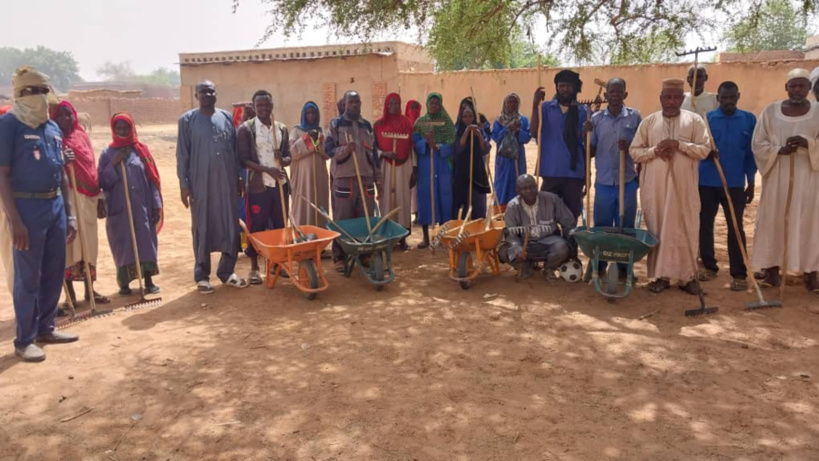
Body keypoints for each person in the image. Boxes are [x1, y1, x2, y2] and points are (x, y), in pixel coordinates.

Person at [0, 67, 79, 362]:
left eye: (44, 93)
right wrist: (15, 220)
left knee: (53, 271)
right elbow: (2, 175)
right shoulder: (9, 125)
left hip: (55, 205)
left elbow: (60, 174)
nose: (41, 99)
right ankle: (24, 339)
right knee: (28, 277)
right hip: (26, 208)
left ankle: (47, 327)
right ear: (22, 94)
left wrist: (69, 214)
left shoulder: (51, 128)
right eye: (35, 92)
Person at [630, 78, 711, 295]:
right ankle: (661, 276)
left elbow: (704, 149)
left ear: (682, 98)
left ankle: (688, 277)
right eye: (667, 97)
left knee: (686, 228)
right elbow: (634, 151)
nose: (672, 101)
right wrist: (655, 151)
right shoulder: (648, 122)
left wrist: (679, 145)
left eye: (676, 97)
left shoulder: (694, 121)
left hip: (684, 190)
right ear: (661, 98)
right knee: (658, 229)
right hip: (656, 190)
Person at [751, 69, 819, 295]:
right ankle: (771, 272)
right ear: (786, 88)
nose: (797, 90)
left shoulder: (818, 111)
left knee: (809, 223)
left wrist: (808, 143)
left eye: (802, 85)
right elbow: (758, 143)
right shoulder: (771, 111)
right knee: (774, 220)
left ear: (809, 89)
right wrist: (778, 150)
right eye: (793, 85)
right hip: (777, 176)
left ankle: (811, 273)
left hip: (808, 178)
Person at [176, 80, 247, 293]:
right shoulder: (187, 120)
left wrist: (238, 177)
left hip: (226, 183)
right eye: (203, 91)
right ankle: (202, 275)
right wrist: (184, 185)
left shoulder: (225, 117)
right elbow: (182, 155)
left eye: (211, 91)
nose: (207, 94)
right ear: (197, 96)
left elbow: (234, 151)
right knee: (202, 227)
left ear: (216, 94)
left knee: (230, 226)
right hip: (201, 184)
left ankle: (227, 272)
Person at [697, 81, 757, 291]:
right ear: (718, 98)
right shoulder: (707, 120)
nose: (728, 102)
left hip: (735, 184)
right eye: (724, 98)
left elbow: (751, 153)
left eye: (732, 97)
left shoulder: (748, 120)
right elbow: (698, 148)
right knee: (705, 223)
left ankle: (739, 273)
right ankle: (709, 266)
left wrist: (751, 182)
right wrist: (707, 153)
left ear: (738, 96)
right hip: (707, 181)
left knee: (736, 226)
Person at [50, 100, 110, 307]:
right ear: (54, 118)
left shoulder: (82, 136)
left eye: (69, 115)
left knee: (89, 245)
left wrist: (100, 196)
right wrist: (60, 159)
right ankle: (70, 296)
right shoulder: (52, 139)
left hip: (89, 197)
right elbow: (47, 166)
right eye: (61, 116)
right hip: (67, 198)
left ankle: (89, 290)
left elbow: (92, 166)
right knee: (69, 245)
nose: (66, 119)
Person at [98, 113, 162, 295]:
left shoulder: (141, 151)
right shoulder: (106, 154)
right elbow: (102, 182)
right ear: (113, 130)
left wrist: (156, 205)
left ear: (132, 128)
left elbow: (153, 180)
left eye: (125, 128)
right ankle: (124, 283)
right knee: (123, 244)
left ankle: (148, 280)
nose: (122, 131)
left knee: (146, 242)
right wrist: (113, 163)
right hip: (120, 208)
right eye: (118, 128)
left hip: (142, 206)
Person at [586, 78, 641, 278]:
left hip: (627, 182)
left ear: (625, 94)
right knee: (601, 225)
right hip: (604, 183)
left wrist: (630, 148)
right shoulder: (597, 119)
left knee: (625, 226)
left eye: (619, 92)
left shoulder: (634, 117)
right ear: (606, 95)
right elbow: (590, 151)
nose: (615, 95)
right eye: (612, 92)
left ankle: (625, 267)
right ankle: (599, 264)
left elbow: (641, 148)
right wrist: (586, 135)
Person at [325, 90, 382, 271]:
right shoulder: (335, 124)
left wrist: (378, 181)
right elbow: (328, 150)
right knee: (343, 219)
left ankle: (364, 253)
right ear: (345, 104)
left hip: (365, 178)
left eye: (357, 102)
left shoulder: (366, 126)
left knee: (365, 218)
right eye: (351, 102)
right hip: (344, 180)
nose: (354, 105)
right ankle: (339, 256)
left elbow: (373, 154)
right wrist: (345, 150)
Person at [237, 90, 290, 285]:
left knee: (279, 226)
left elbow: (288, 157)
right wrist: (267, 169)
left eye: (267, 104)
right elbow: (243, 159)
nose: (264, 108)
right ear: (254, 106)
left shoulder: (281, 129)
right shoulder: (246, 129)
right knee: (256, 227)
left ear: (272, 105)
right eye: (259, 105)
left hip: (280, 185)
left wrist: (282, 159)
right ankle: (254, 268)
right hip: (258, 187)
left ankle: (277, 265)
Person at [531, 69, 588, 219]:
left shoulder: (584, 111)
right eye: (562, 85)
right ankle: (551, 242)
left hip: (574, 173)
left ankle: (569, 242)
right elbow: (533, 132)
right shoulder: (545, 108)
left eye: (569, 86)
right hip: (551, 170)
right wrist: (534, 105)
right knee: (545, 215)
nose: (565, 89)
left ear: (576, 88)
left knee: (571, 214)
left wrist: (587, 175)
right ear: (556, 87)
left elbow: (587, 145)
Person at [499, 175, 577, 279]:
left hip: (549, 242)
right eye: (524, 189)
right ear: (518, 191)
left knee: (562, 246)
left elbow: (568, 222)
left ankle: (549, 269)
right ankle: (526, 269)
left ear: (537, 187)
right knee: (504, 251)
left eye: (532, 187)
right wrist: (517, 248)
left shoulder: (551, 199)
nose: (529, 191)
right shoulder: (512, 207)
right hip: (525, 245)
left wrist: (571, 244)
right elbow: (511, 233)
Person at [413, 93, 456, 248]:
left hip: (442, 163)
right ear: (427, 104)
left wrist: (438, 146)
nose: (434, 106)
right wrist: (426, 142)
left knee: (444, 197)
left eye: (437, 103)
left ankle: (443, 236)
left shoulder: (446, 122)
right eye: (431, 103)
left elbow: (452, 142)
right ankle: (426, 238)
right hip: (426, 164)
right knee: (425, 197)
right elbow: (415, 142)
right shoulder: (420, 122)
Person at [374, 92, 415, 249]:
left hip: (404, 167)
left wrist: (414, 169)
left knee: (402, 200)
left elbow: (411, 148)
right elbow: (373, 149)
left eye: (396, 103)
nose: (393, 106)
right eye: (390, 104)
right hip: (385, 167)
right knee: (387, 200)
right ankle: (387, 238)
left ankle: (402, 238)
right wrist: (384, 153)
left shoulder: (407, 123)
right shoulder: (379, 125)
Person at [290, 101, 329, 227]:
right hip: (302, 175)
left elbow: (327, 153)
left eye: (313, 113)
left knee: (319, 201)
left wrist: (318, 140)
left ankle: (319, 235)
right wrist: (306, 138)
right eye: (308, 113)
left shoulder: (321, 131)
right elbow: (292, 152)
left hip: (319, 174)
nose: (311, 116)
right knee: (303, 202)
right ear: (303, 115)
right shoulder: (296, 131)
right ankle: (302, 235)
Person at [452, 100, 491, 219]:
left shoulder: (479, 130)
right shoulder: (457, 130)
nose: (468, 118)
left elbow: (485, 149)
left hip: (477, 169)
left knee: (477, 200)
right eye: (465, 116)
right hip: (462, 170)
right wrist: (467, 130)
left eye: (470, 116)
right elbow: (458, 147)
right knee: (462, 200)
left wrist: (478, 134)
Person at [492, 93, 532, 206]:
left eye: (514, 102)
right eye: (509, 102)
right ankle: (501, 210)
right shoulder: (499, 121)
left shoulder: (523, 120)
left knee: (518, 181)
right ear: (505, 104)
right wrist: (507, 128)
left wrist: (518, 130)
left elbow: (527, 138)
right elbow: (495, 137)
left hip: (518, 157)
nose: (512, 104)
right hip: (503, 158)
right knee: (502, 183)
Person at [405, 99, 423, 223]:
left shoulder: (422, 124)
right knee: (409, 187)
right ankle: (411, 213)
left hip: (422, 158)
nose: (414, 110)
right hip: (407, 159)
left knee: (420, 188)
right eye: (412, 107)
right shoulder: (404, 123)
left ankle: (420, 213)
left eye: (416, 107)